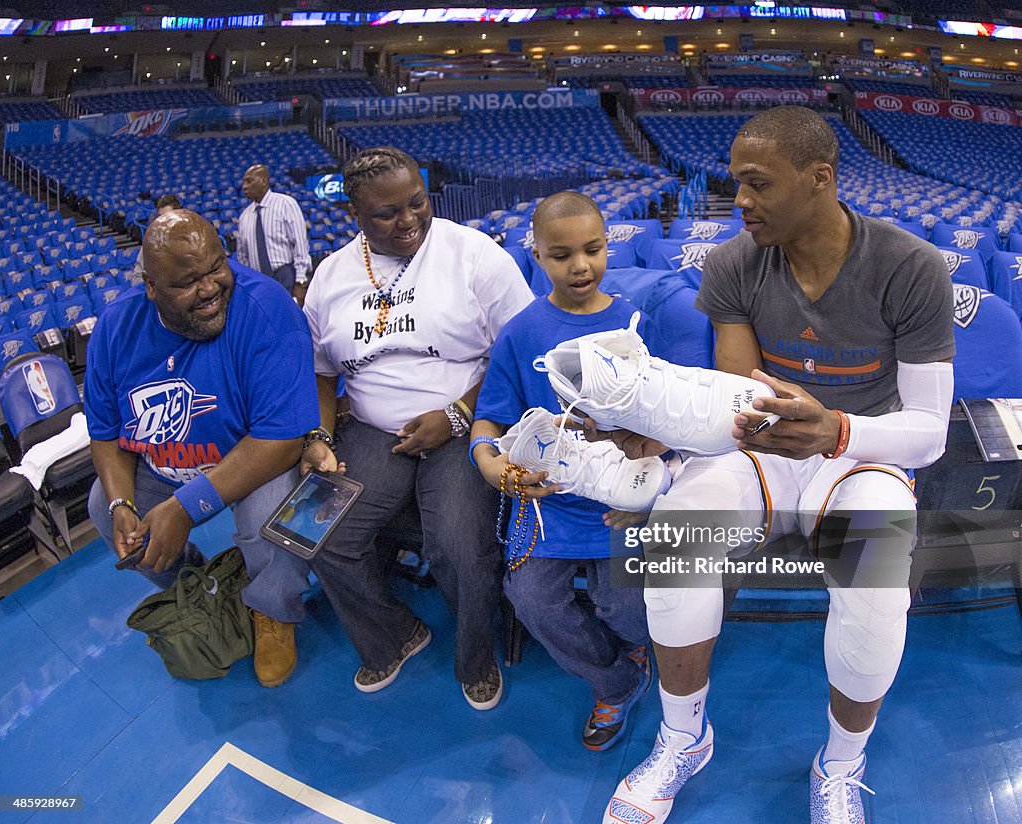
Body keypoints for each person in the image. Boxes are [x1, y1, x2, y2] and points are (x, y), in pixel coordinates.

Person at [600, 107, 955, 823]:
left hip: (863, 454)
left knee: (876, 575)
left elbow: (926, 434)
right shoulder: (735, 263)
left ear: (819, 179)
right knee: (677, 541)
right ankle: (683, 738)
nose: (741, 201)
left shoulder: (911, 267)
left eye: (758, 184)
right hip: (764, 449)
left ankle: (841, 766)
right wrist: (658, 424)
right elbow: (739, 399)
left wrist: (838, 429)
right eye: (737, 183)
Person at [301, 146, 534, 709]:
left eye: (417, 203)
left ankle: (475, 659)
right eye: (387, 213)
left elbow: (523, 351)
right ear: (355, 214)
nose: (408, 221)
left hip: (466, 422)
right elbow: (320, 373)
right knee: (311, 530)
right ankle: (396, 636)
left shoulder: (474, 256)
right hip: (371, 429)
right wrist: (319, 437)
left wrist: (457, 414)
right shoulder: (331, 277)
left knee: (458, 546)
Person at [85, 210, 319, 689]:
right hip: (166, 462)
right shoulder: (115, 327)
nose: (211, 287)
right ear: (150, 287)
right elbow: (106, 432)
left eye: (216, 267)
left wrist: (184, 510)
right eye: (187, 282)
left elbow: (281, 439)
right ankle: (201, 584)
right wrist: (122, 503)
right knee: (103, 511)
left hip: (251, 457)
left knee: (269, 517)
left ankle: (273, 608)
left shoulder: (268, 310)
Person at [471, 191, 658, 751]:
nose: (580, 266)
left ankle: (640, 644)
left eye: (593, 249)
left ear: (607, 247)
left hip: (623, 503)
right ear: (537, 256)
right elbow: (488, 421)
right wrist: (492, 465)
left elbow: (671, 422)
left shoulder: (636, 326)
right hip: (545, 505)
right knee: (530, 600)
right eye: (561, 255)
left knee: (623, 605)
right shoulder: (521, 332)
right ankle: (615, 682)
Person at [236, 164, 311, 302]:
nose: (244, 186)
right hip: (259, 281)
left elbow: (300, 243)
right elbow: (243, 257)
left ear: (263, 181)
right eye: (244, 182)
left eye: (249, 181)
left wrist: (300, 280)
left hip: (285, 275)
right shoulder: (244, 217)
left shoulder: (286, 204)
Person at [131, 194, 182, 283]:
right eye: (160, 217)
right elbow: (136, 278)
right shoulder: (150, 244)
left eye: (168, 216)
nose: (163, 221)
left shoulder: (191, 240)